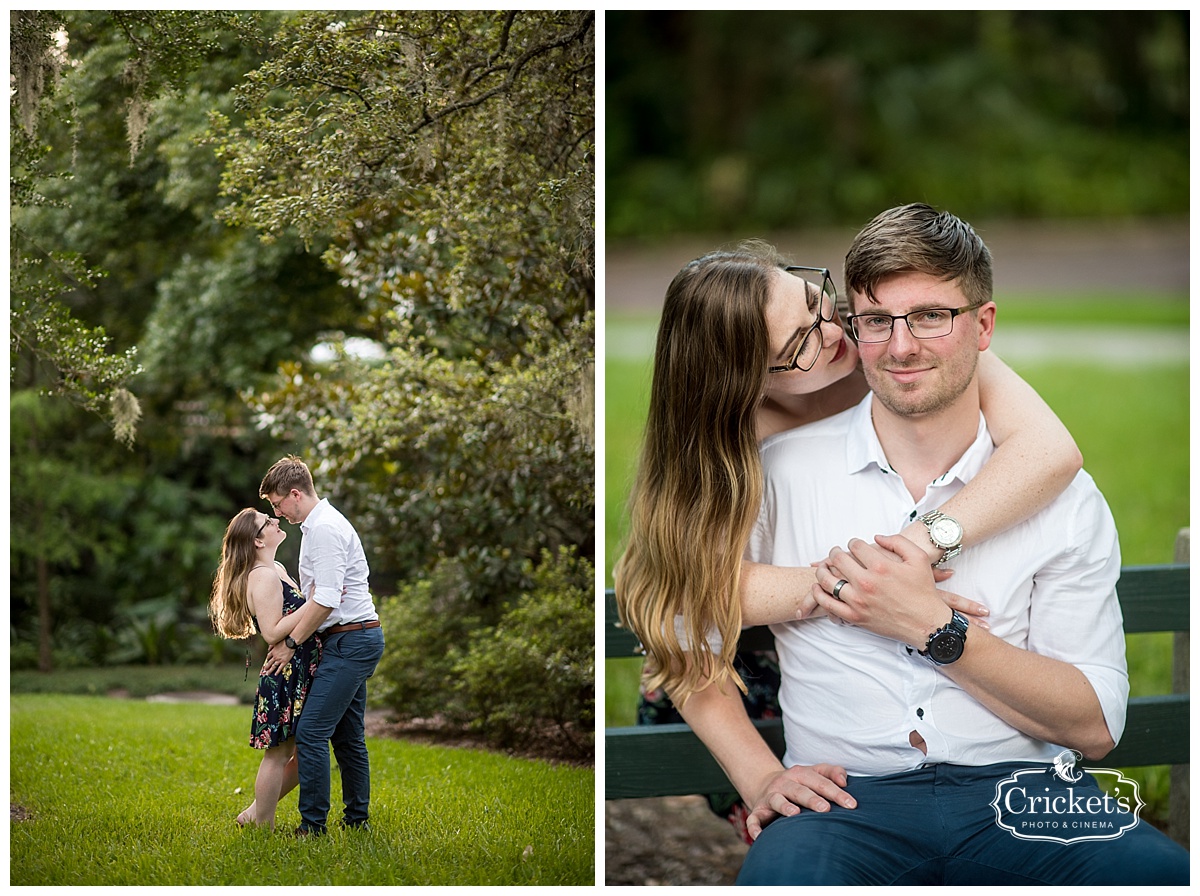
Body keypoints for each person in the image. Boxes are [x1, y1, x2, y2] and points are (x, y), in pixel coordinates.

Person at [671, 204, 1188, 884]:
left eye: (931, 317)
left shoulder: (1053, 491)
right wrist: (764, 774)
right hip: (845, 805)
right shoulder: (767, 473)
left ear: (984, 326)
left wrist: (931, 624)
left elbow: (1093, 729)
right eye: (877, 320)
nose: (896, 345)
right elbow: (683, 618)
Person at [614, 236, 1082, 840]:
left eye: (817, 303)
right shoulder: (725, 443)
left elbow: (1050, 451)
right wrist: (762, 778)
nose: (834, 333)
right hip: (736, 672)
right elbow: (679, 602)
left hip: (868, 649)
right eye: (800, 344)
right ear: (747, 380)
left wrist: (909, 554)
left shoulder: (897, 353)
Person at [258, 455, 385, 837]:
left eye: (278, 504)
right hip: (348, 639)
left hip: (352, 640)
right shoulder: (316, 528)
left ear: (295, 494)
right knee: (348, 737)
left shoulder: (325, 529)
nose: (277, 513)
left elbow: (326, 598)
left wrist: (291, 644)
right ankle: (357, 822)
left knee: (313, 733)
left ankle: (312, 827)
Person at [209, 507, 321, 831]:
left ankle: (254, 813)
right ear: (258, 540)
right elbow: (272, 632)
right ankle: (264, 824)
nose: (275, 521)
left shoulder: (278, 568)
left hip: (300, 668)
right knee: (278, 754)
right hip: (285, 673)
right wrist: (315, 604)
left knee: (301, 754)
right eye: (267, 522)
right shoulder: (262, 576)